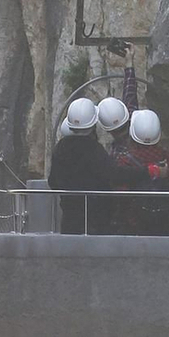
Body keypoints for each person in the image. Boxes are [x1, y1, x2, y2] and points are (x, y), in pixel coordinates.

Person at [47, 96, 114, 235]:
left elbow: (53, 182)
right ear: (93, 124)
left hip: (70, 215)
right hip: (96, 217)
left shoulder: (61, 148)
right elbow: (110, 176)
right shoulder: (95, 150)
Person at [123, 106, 169, 236]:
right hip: (166, 224)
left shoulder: (126, 161)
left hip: (135, 225)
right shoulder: (168, 158)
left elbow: (120, 194)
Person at [94, 95, 145, 233]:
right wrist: (129, 72)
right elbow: (131, 97)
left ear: (107, 130)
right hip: (148, 212)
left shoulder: (115, 155)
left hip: (126, 214)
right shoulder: (140, 136)